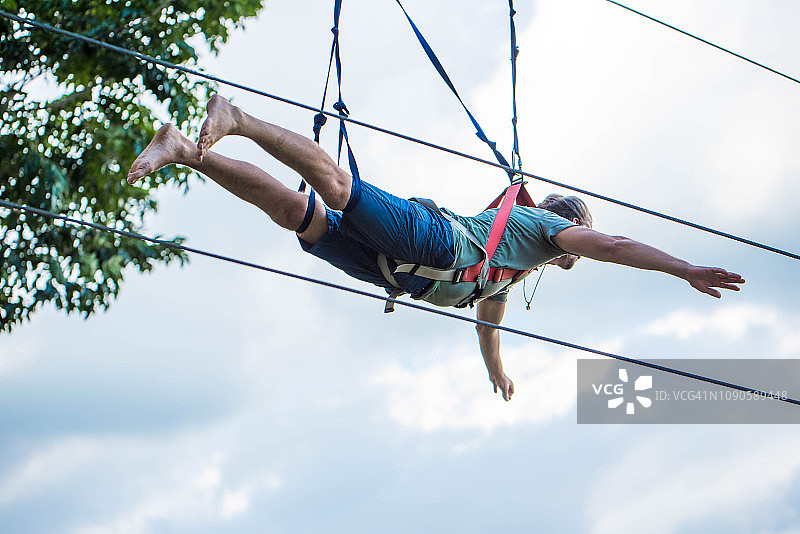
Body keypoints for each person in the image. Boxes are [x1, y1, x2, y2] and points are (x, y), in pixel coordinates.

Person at [127, 96, 745, 402]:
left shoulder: (507, 273)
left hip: (394, 271)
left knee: (296, 212)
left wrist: (495, 370)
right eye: (574, 248)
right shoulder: (544, 228)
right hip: (433, 242)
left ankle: (184, 150)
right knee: (338, 187)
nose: (573, 257)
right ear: (568, 227)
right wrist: (683, 268)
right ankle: (236, 118)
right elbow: (613, 244)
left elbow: (488, 324)